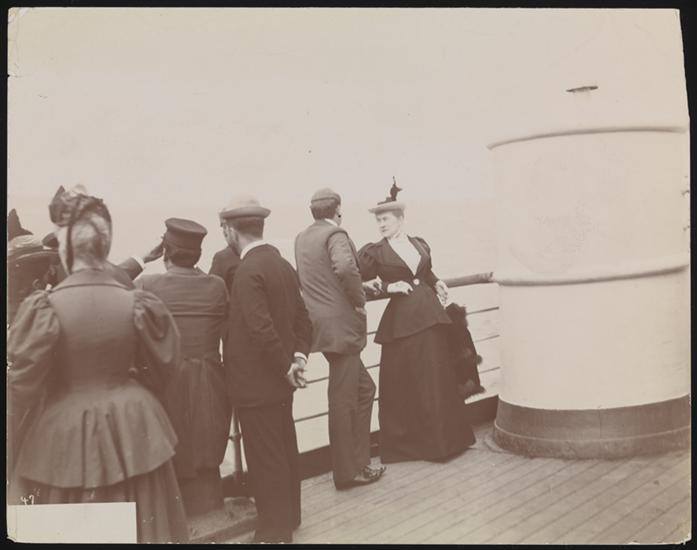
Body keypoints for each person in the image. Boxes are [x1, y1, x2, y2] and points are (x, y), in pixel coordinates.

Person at [6, 186, 189, 543]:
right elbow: (166, 367)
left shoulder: (45, 307)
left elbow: (21, 388)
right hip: (134, 432)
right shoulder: (138, 302)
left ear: (65, 250)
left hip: (62, 437)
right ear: (105, 247)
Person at [357, 185, 475, 464]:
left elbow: (426, 272)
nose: (381, 224)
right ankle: (412, 447)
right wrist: (388, 286)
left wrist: (438, 282)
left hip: (430, 317)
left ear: (400, 218)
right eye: (378, 220)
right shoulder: (374, 252)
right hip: (402, 323)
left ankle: (447, 442)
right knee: (406, 383)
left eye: (385, 219)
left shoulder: (418, 243)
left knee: (436, 379)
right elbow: (356, 279)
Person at [221, 195, 312, 543]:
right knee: (285, 448)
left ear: (231, 231)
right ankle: (290, 517)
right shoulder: (282, 265)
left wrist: (285, 367)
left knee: (265, 457)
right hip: (281, 381)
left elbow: (260, 329)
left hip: (257, 384)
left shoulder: (247, 271)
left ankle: (273, 533)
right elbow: (303, 319)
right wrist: (298, 359)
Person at [135, 218, 231, 518]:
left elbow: (109, 284)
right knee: (207, 441)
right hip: (210, 380)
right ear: (198, 254)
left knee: (175, 442)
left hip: (169, 381)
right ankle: (211, 507)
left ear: (165, 251)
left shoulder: (148, 286)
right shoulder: (216, 287)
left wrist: (142, 259)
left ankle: (176, 514)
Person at [294, 188, 385, 490]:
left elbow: (318, 277)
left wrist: (358, 287)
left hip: (320, 326)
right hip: (342, 328)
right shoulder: (336, 234)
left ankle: (359, 462)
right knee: (343, 400)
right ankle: (348, 473)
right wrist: (359, 299)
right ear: (338, 211)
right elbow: (345, 267)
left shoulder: (302, 238)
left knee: (364, 389)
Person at [209, 212, 241, 292]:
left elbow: (211, 291)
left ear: (227, 229)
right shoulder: (267, 254)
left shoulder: (222, 258)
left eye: (224, 227)